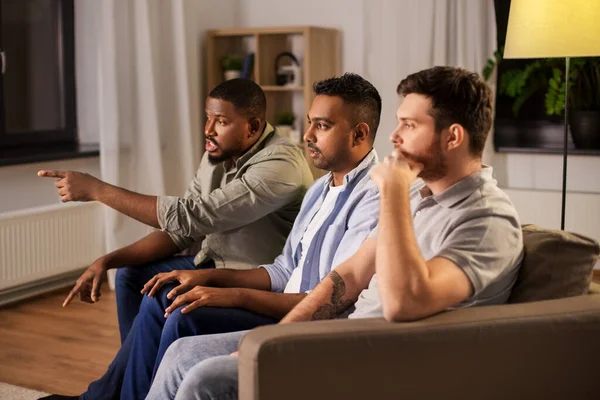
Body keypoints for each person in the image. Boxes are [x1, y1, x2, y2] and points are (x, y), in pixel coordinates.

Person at [146, 66, 524, 400]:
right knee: (183, 356)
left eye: (409, 125)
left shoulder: (486, 219)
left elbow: (404, 303)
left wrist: (392, 190)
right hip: (345, 341)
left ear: (453, 137)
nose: (393, 137)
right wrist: (273, 338)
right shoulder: (421, 199)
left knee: (205, 379)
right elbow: (347, 276)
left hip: (388, 362)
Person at [39, 73, 383, 400]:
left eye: (321, 126)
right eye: (309, 122)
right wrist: (201, 276)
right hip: (266, 288)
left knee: (180, 311)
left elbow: (327, 300)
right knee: (147, 282)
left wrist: (231, 294)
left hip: (300, 316)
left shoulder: (361, 193)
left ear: (359, 134)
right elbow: (281, 270)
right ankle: (130, 389)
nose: (307, 135)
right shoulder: (321, 189)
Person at [38, 79, 313, 343]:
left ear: (252, 127)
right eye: (208, 117)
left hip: (256, 278)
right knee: (130, 274)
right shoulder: (216, 154)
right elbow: (181, 231)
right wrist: (107, 260)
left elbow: (190, 215)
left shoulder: (281, 164)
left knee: (164, 301)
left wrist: (98, 190)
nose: (208, 129)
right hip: (214, 262)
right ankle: (133, 377)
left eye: (221, 121)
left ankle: (119, 387)